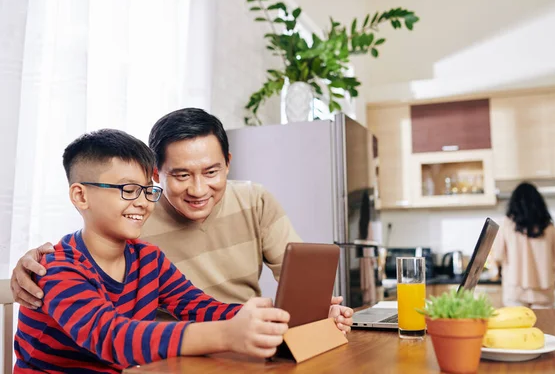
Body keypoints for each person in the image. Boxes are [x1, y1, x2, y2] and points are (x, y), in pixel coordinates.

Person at [11, 108, 353, 333]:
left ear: (228, 163)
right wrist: (32, 262)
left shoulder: (255, 200)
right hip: (166, 352)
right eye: (181, 175)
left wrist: (313, 315)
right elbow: (85, 251)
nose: (199, 189)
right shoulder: (135, 215)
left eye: (211, 171)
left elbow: (300, 289)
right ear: (157, 172)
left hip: (243, 333)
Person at [14, 129, 290, 373]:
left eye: (148, 190)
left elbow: (201, 308)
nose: (144, 202)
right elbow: (113, 337)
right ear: (81, 196)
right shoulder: (56, 267)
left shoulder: (148, 258)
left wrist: (272, 319)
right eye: (129, 189)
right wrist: (227, 335)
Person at [491, 182, 555, 308]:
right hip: (544, 291)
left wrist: (495, 272)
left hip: (515, 290)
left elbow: (497, 255)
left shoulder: (506, 225)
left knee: (517, 327)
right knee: (544, 327)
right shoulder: (549, 227)